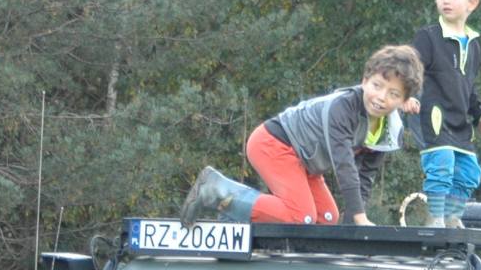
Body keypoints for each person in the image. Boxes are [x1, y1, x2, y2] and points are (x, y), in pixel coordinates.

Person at [179, 45, 424, 227]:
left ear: (404, 100)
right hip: (274, 143)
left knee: (326, 218)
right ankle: (218, 192)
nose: (381, 97)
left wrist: (354, 230)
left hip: (305, 163)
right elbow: (344, 166)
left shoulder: (388, 132)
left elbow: (364, 178)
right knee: (301, 216)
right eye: (377, 86)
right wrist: (361, 218)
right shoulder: (343, 107)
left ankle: (244, 217)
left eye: (393, 94)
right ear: (364, 81)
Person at [412, 0, 481, 227]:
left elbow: (468, 87)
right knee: (442, 163)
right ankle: (435, 217)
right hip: (433, 115)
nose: (445, 0)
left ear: (472, 3)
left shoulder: (474, 44)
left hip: (459, 121)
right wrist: (407, 95)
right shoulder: (428, 37)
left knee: (470, 171)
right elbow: (410, 70)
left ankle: (451, 218)